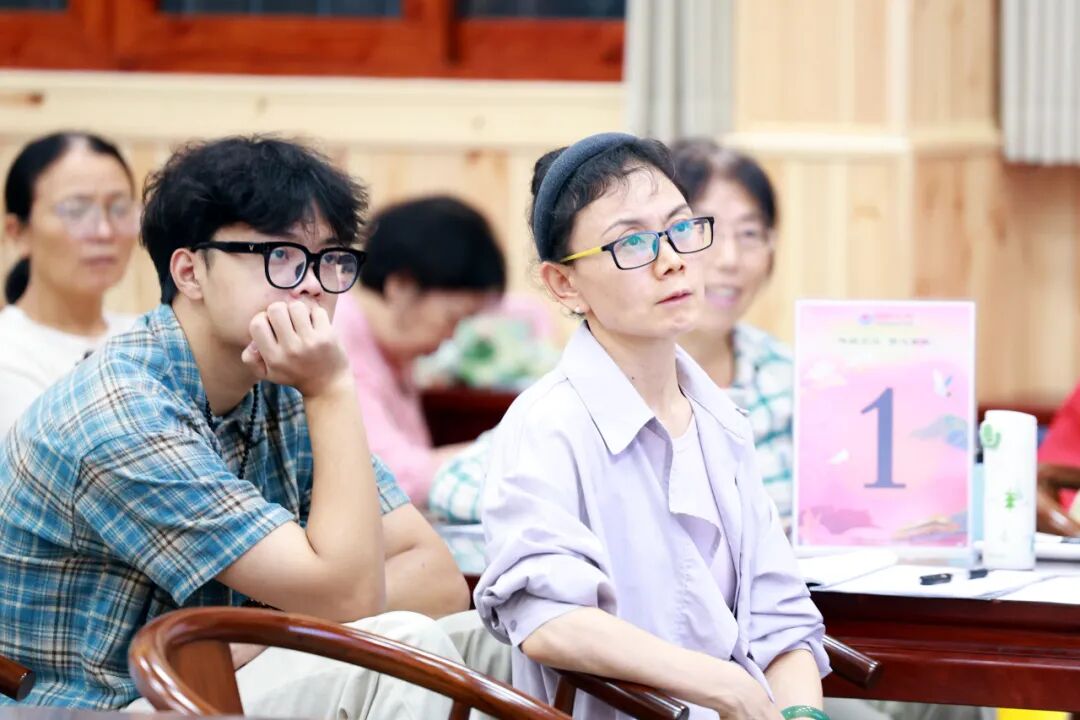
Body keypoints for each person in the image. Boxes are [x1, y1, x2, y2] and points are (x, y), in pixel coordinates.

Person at [0, 136, 490, 716]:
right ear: (190, 272)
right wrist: (331, 389)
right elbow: (352, 597)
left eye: (331, 258)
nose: (313, 284)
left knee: (487, 638)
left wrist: (257, 631)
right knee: (406, 643)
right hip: (100, 706)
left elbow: (436, 577)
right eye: (280, 255)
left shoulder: (275, 381)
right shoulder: (122, 410)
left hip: (208, 677)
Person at [473, 132, 828, 720]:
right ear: (565, 284)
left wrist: (802, 716)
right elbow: (550, 620)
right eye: (633, 243)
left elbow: (782, 620)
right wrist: (724, 686)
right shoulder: (549, 424)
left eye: (681, 228)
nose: (672, 260)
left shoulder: (722, 419)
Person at [335, 195, 506, 506]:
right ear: (401, 285)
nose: (452, 336)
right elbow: (390, 477)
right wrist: (505, 450)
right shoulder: (339, 337)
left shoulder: (395, 347)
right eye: (452, 319)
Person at [0, 131, 138, 435]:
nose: (104, 231)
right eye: (76, 210)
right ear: (18, 232)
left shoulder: (145, 335)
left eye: (119, 209)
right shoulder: (7, 350)